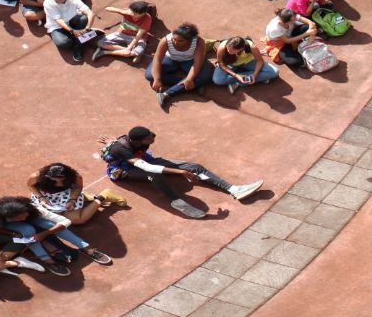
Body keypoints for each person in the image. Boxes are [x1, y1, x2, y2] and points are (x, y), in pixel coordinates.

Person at [100, 126, 262, 219]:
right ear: (137, 141)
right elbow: (147, 168)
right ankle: (176, 201)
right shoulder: (121, 149)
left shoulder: (137, 139)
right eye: (150, 138)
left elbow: (144, 158)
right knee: (154, 175)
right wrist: (180, 172)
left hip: (143, 159)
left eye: (152, 135)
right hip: (124, 170)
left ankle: (234, 189)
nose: (153, 139)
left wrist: (185, 169)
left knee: (194, 166)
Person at [145, 22, 208, 110]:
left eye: (180, 41)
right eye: (174, 39)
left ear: (189, 40)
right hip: (171, 59)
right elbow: (157, 59)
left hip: (189, 61)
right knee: (150, 75)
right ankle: (195, 84)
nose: (175, 42)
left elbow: (197, 63)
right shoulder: (166, 40)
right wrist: (157, 79)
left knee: (206, 75)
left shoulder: (199, 42)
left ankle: (167, 94)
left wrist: (189, 79)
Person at [43, 0, 101, 64]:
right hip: (57, 26)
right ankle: (86, 36)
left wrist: (87, 28)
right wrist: (73, 31)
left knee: (84, 19)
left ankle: (79, 46)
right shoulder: (48, 3)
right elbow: (59, 20)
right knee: (64, 43)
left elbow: (90, 13)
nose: (55, 0)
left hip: (72, 21)